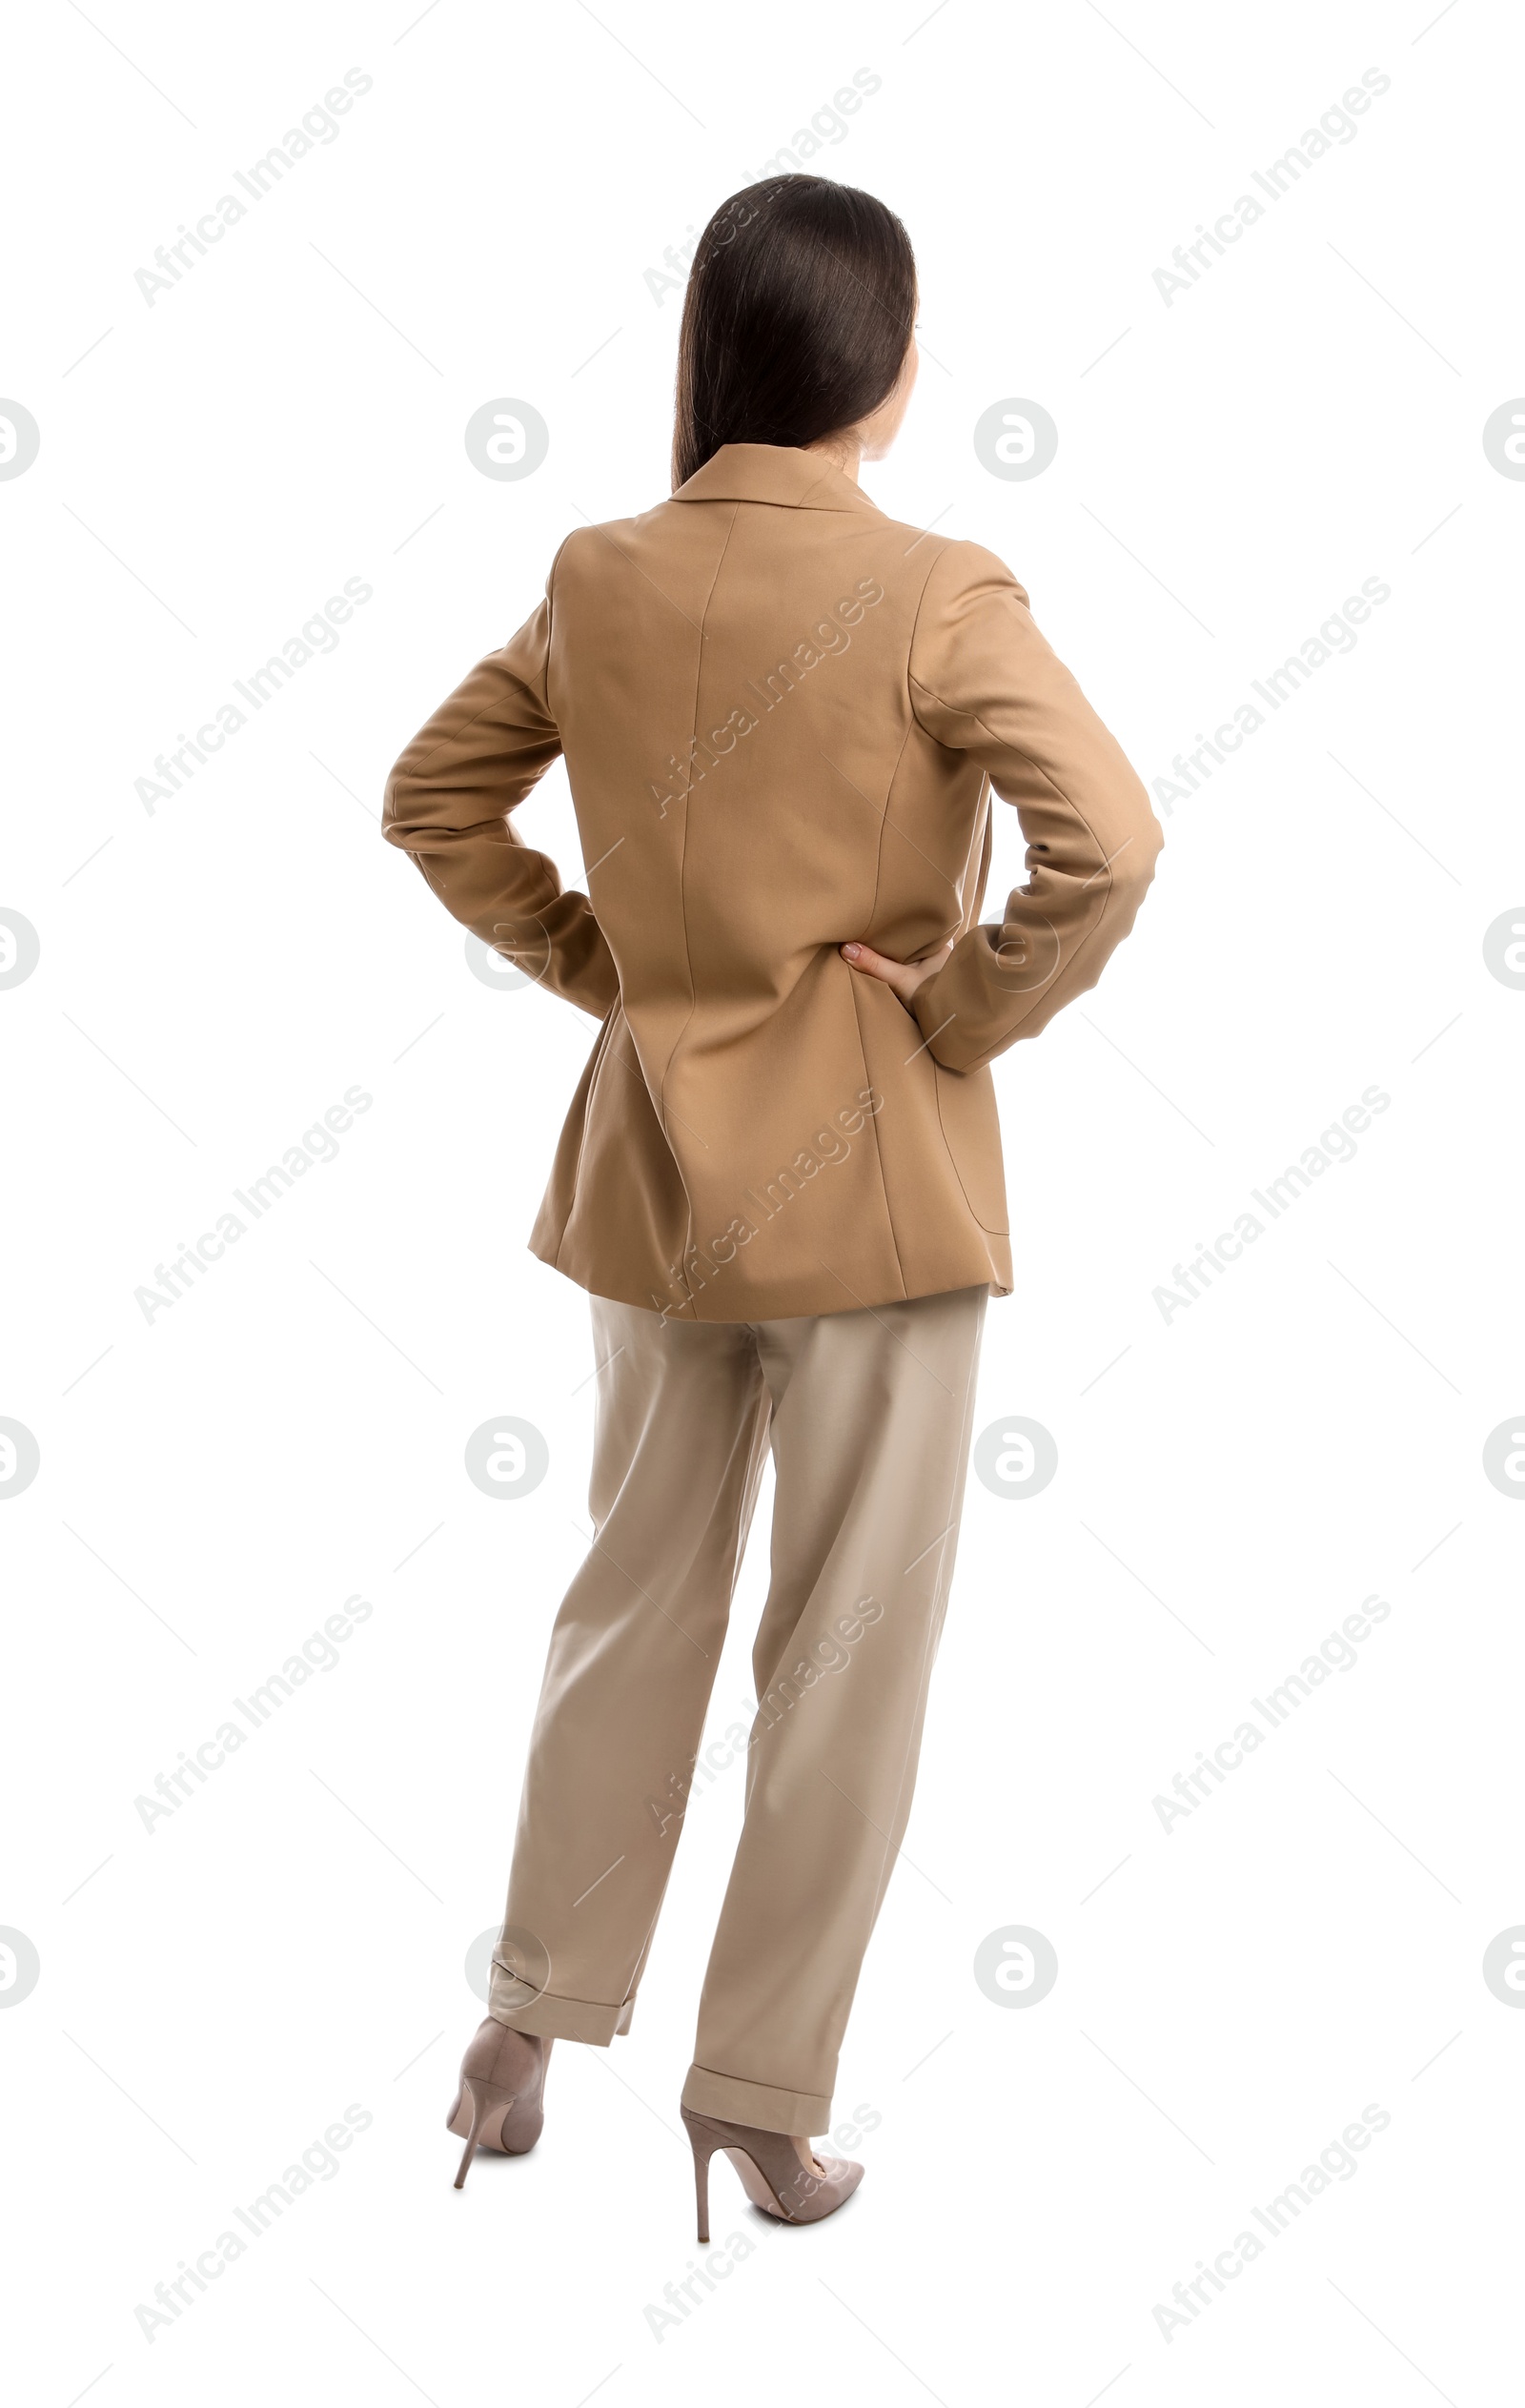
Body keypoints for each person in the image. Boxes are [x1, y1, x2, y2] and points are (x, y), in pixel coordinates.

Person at [382, 173, 1163, 2235]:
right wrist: (964, 1013)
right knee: (846, 1649)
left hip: (652, 1181)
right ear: (887, 374)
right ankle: (753, 2095)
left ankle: (521, 2036)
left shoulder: (600, 574)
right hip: (876, 1199)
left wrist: (605, 972)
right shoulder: (934, 591)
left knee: (627, 1598)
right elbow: (1113, 843)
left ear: (715, 358)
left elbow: (429, 798)